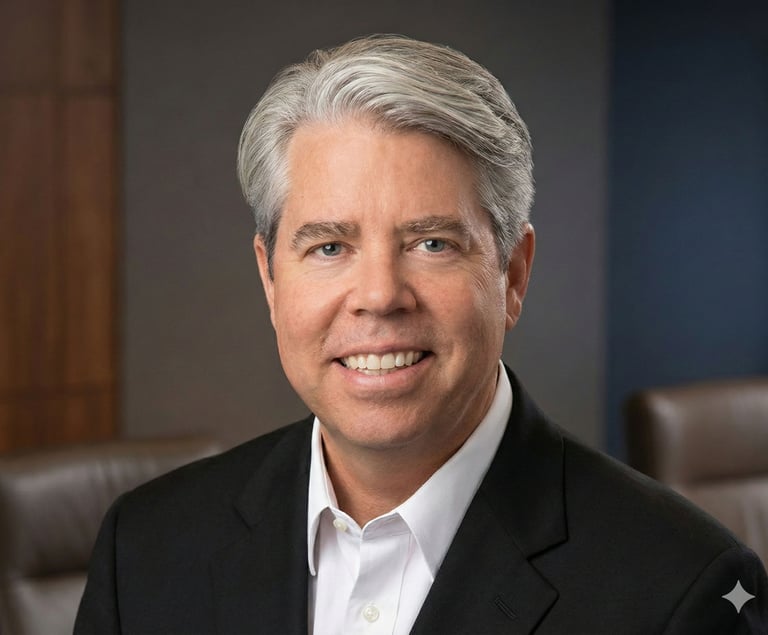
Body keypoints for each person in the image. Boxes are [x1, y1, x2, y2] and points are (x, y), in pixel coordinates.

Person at [75, 34, 767, 634]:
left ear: (513, 274)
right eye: (329, 247)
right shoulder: (144, 548)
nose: (379, 296)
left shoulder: (686, 588)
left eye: (432, 243)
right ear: (270, 278)